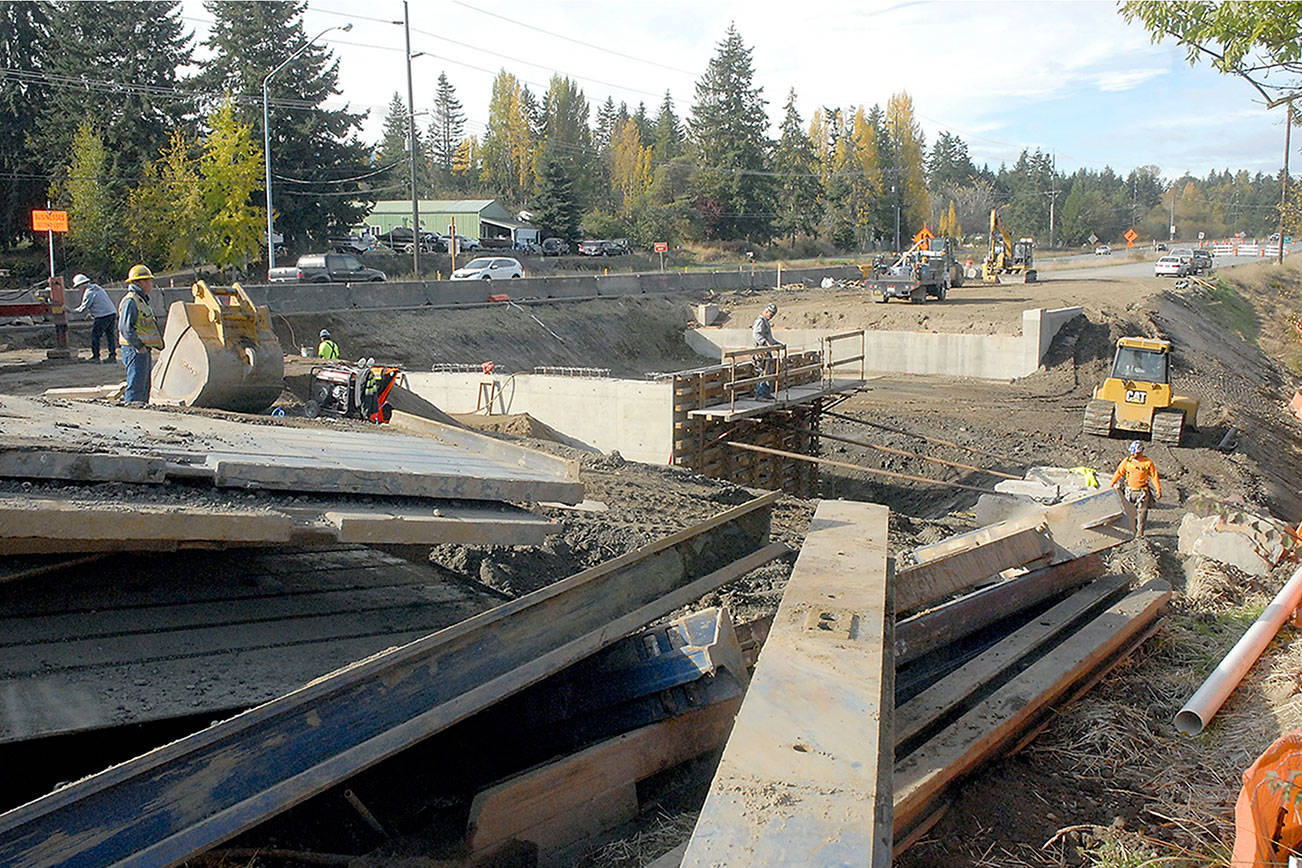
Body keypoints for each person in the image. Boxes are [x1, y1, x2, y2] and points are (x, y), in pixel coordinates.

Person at [118, 264, 164, 404]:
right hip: (135, 349)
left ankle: (142, 410)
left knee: (144, 386)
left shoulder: (141, 300)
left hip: (142, 349)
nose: (151, 284)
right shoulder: (131, 301)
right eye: (149, 281)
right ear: (140, 282)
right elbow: (125, 328)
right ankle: (132, 412)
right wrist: (139, 346)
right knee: (136, 385)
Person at [1110, 440, 1161, 537]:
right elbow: (1119, 472)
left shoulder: (1147, 463)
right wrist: (1112, 483)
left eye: (1135, 453)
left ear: (1141, 451)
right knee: (1128, 512)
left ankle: (1140, 533)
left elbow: (1154, 476)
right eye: (1132, 452)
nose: (1133, 454)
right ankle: (1128, 531)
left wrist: (1158, 489)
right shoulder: (1127, 461)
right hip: (1129, 490)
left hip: (1142, 492)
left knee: (1142, 513)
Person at [70, 273, 117, 363]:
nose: (78, 289)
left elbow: (82, 309)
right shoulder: (97, 288)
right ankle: (112, 356)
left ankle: (96, 356)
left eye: (78, 287)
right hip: (111, 313)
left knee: (95, 336)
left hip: (103, 316)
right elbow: (99, 303)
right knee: (110, 335)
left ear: (81, 285)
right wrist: (92, 314)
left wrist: (68, 310)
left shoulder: (89, 293)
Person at [752, 303, 779, 400]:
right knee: (763, 371)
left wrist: (776, 343)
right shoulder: (760, 321)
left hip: (766, 351)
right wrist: (766, 343)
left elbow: (769, 338)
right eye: (770, 315)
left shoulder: (766, 322)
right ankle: (759, 394)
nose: (771, 317)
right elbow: (756, 335)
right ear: (766, 311)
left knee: (767, 372)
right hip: (761, 351)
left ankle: (766, 393)